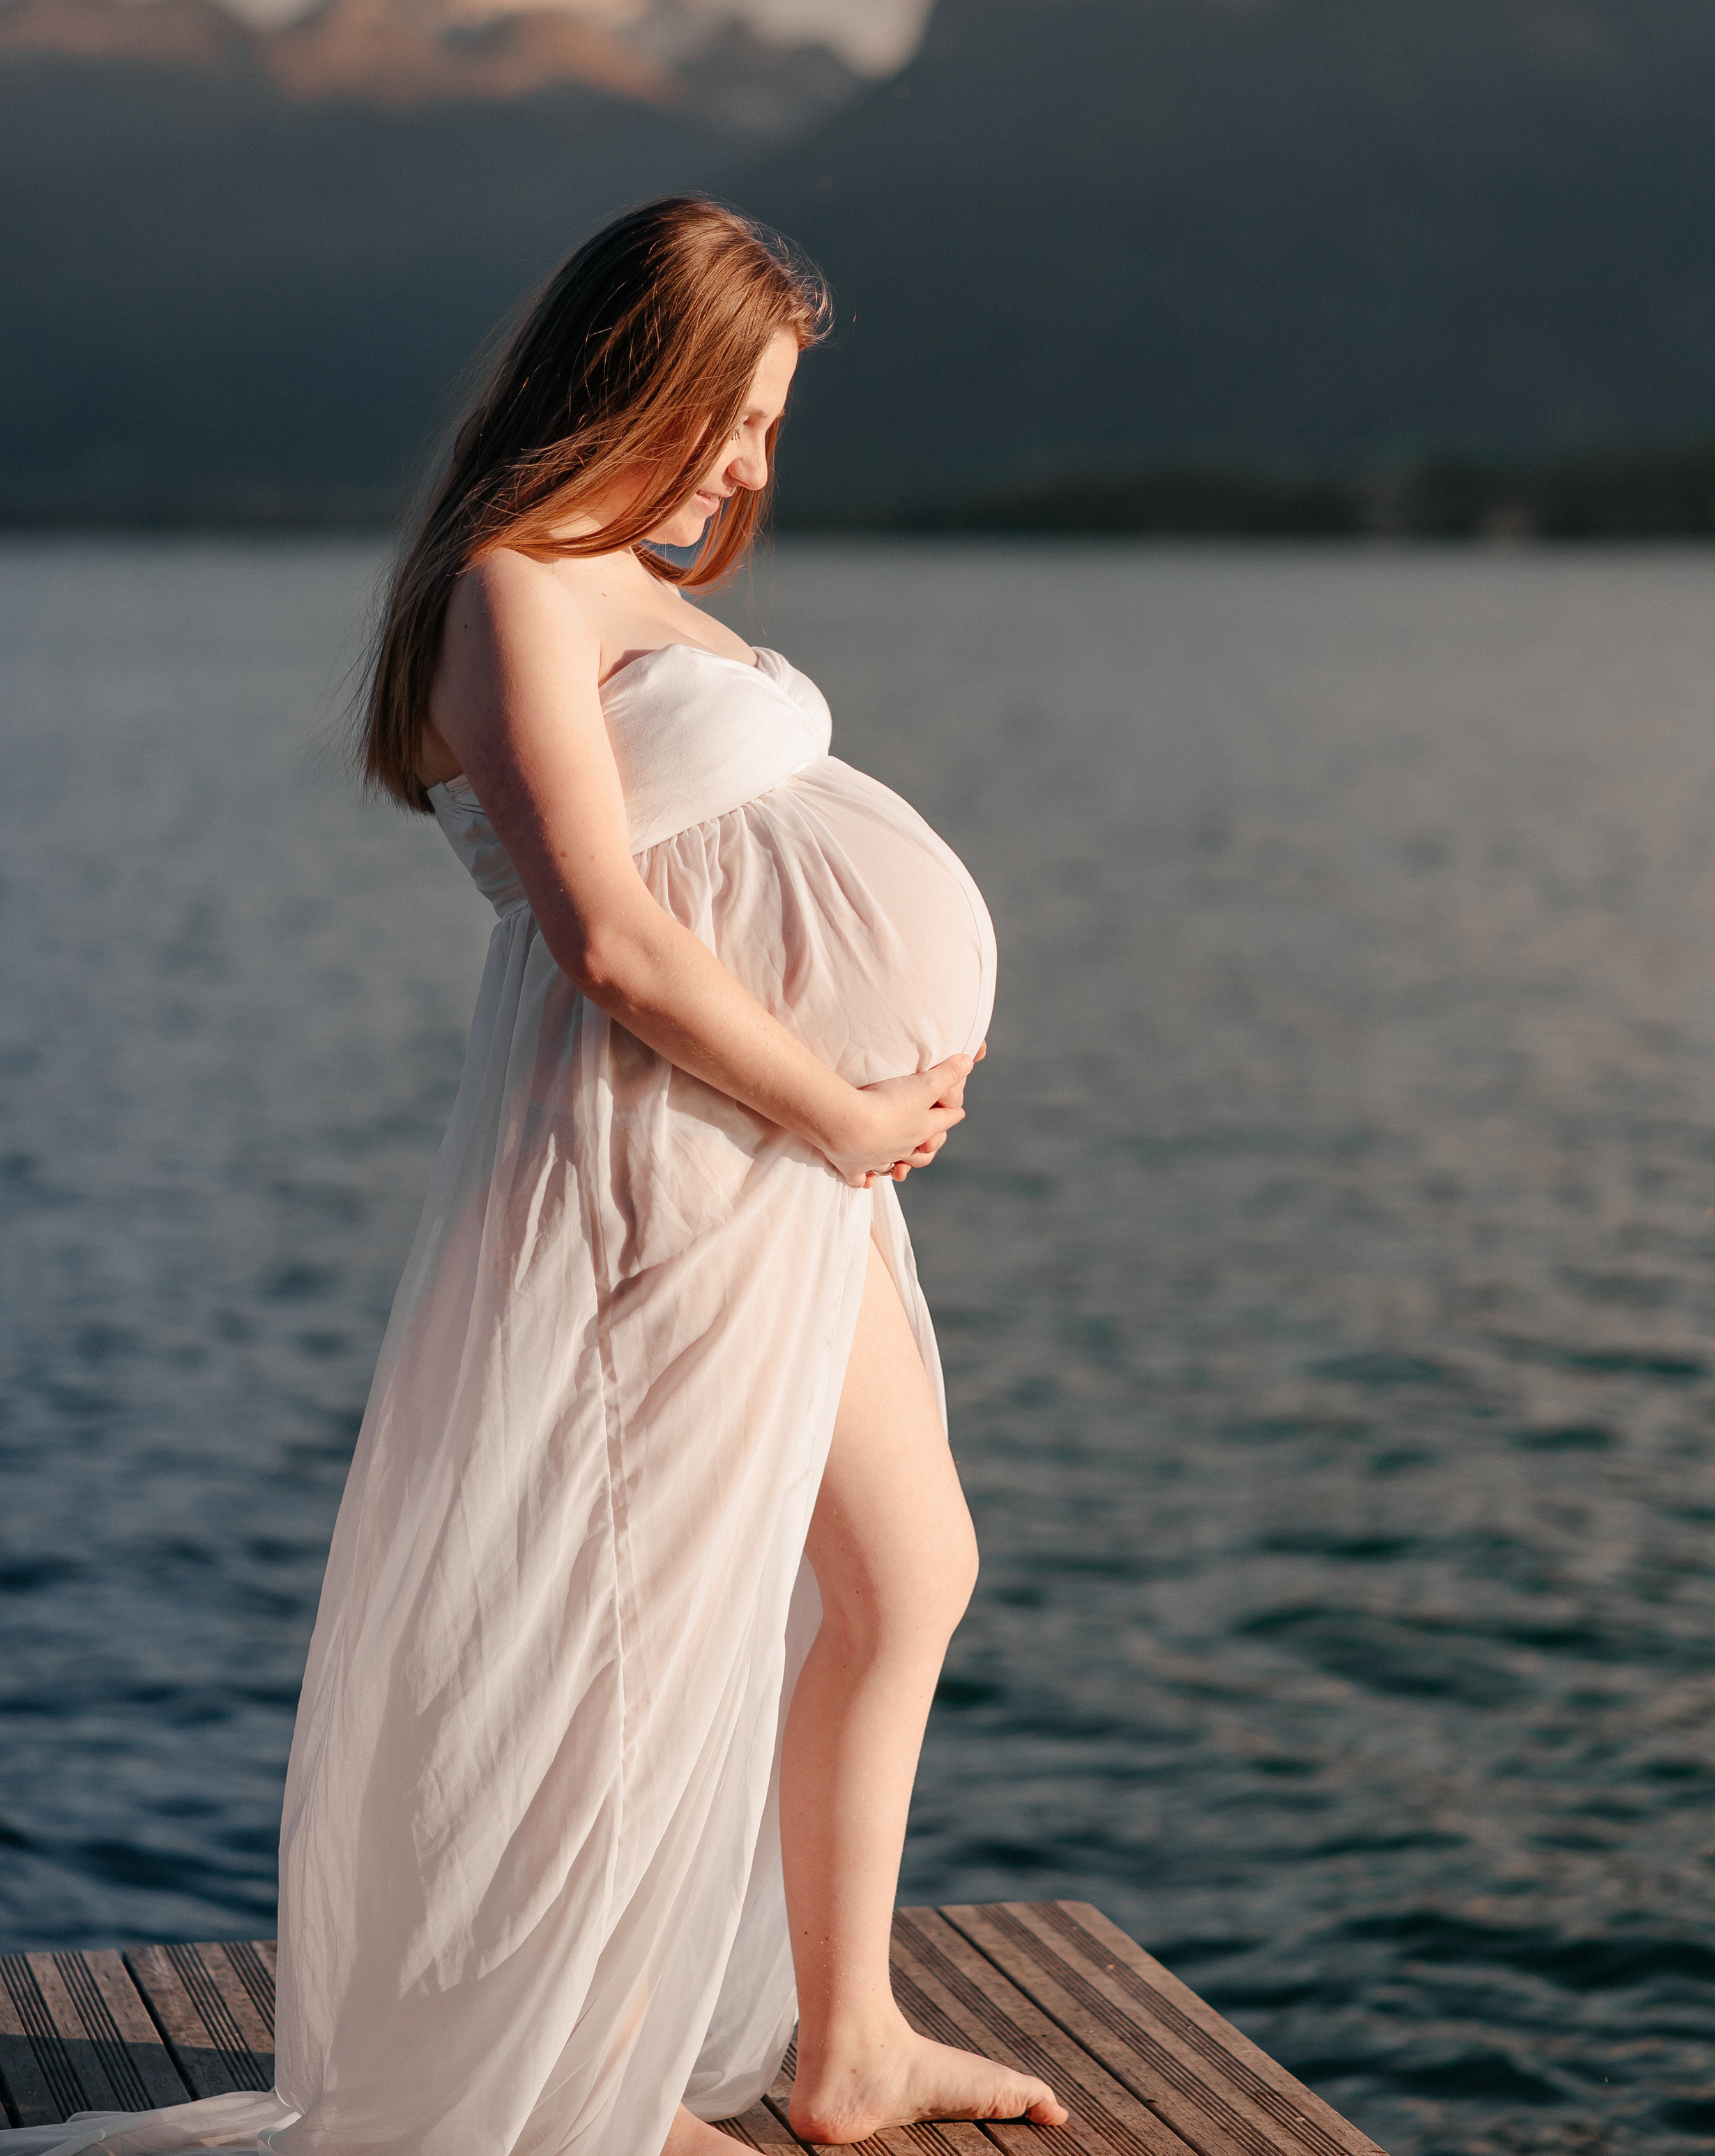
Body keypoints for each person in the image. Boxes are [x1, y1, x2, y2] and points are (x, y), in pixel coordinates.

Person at [18, 199, 1069, 2156]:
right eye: (732, 417)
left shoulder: (623, 591)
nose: (750, 467)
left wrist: (842, 1121)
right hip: (668, 1148)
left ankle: (848, 2040)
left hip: (779, 1161)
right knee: (631, 1621)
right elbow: (608, 936)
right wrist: (842, 1114)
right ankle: (586, 2087)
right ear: (629, 377)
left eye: (771, 428)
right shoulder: (509, 586)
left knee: (911, 1569)